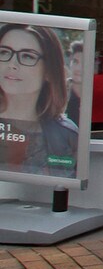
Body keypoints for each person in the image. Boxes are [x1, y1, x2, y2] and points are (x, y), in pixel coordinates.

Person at [0, 24, 78, 179]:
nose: (12, 65)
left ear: (49, 71)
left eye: (27, 56)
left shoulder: (66, 134)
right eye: (4, 52)